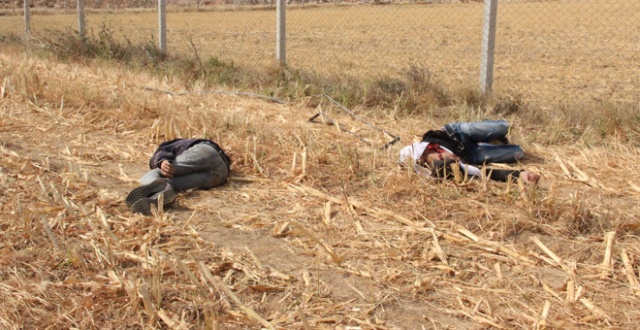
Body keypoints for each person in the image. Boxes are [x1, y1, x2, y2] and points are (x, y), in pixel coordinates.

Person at [399, 119, 540, 185]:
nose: (456, 159)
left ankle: (493, 137)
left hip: (455, 132)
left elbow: (403, 158)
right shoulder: (455, 167)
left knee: (502, 127)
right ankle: (489, 143)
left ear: (440, 154)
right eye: (455, 162)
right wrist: (520, 174)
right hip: (471, 153)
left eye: (453, 159)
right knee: (518, 153)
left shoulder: (419, 150)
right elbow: (487, 173)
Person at [126, 138, 232, 215]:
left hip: (206, 152)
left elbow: (162, 151)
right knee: (170, 183)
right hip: (221, 173)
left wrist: (161, 162)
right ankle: (161, 196)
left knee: (155, 173)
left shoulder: (174, 144)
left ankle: (149, 187)